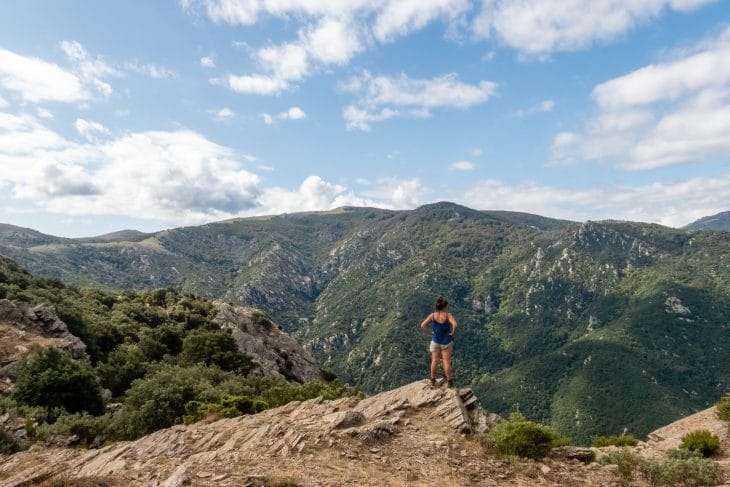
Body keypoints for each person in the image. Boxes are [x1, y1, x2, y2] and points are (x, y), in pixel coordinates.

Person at [419, 296, 458, 388]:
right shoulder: (448, 315)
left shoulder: (432, 315)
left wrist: (430, 333)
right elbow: (455, 325)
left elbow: (423, 325)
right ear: (444, 307)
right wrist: (452, 333)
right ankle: (449, 382)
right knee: (446, 362)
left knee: (434, 361)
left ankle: (432, 380)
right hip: (446, 342)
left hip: (435, 341)